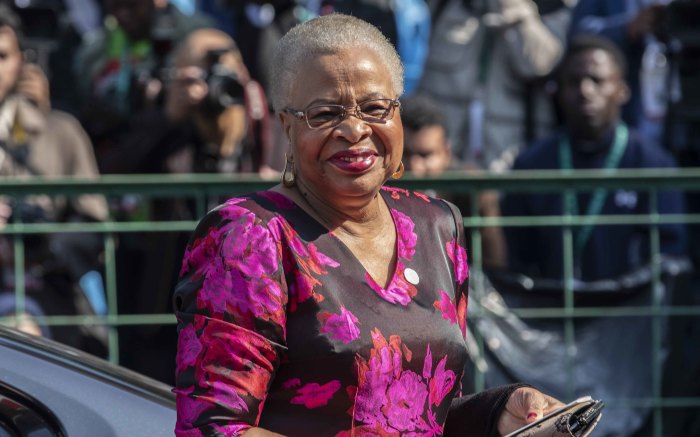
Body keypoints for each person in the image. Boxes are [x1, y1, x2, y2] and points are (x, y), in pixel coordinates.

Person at [173, 13, 563, 436]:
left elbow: (427, 416)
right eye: (324, 114)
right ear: (287, 126)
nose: (354, 129)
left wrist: (499, 412)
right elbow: (214, 427)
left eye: (376, 108)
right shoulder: (249, 237)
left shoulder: (437, 225)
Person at [501, 34, 687, 281]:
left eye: (597, 80)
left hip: (630, 308)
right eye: (574, 81)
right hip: (549, 306)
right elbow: (516, 257)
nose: (585, 90)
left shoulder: (653, 163)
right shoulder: (531, 163)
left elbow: (670, 253)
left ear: (622, 90)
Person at [0, 4, 109, 352]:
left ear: (22, 61)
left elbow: (95, 229)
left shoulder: (60, 131)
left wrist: (38, 245)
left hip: (49, 302)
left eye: (1, 56)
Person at [418, 0, 573, 170]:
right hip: (441, 167)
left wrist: (514, 10)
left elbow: (538, 65)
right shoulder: (442, 6)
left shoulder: (553, 8)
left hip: (510, 168)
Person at [401, 93, 507, 268]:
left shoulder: (474, 189)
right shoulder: (377, 185)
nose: (415, 167)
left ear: (447, 152)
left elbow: (495, 264)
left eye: (425, 155)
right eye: (405, 154)